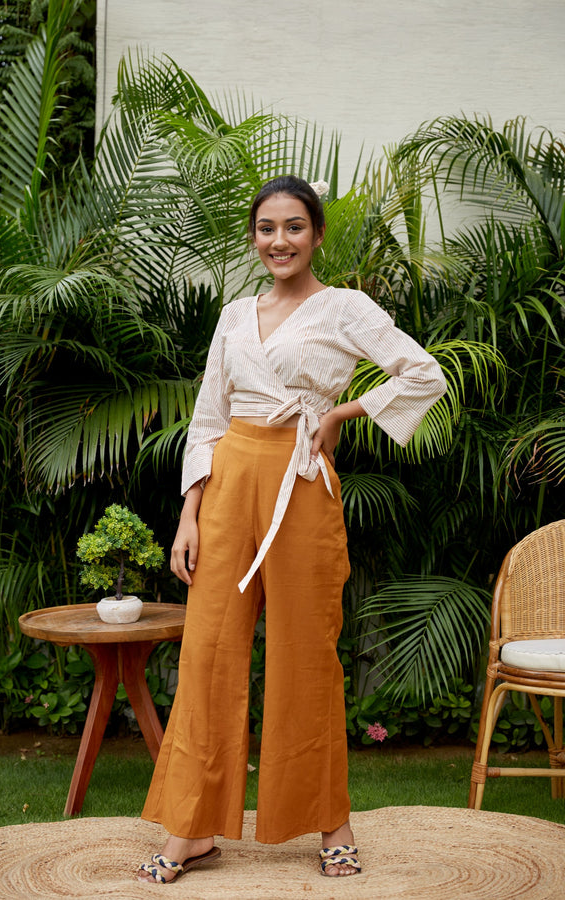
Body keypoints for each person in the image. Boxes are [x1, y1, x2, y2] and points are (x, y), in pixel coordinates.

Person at [138, 175, 447, 884]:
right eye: (267, 228)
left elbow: (422, 373)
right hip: (228, 484)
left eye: (294, 227)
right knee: (209, 652)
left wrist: (339, 413)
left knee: (307, 654)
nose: (279, 241)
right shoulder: (233, 315)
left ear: (317, 234)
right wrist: (188, 515)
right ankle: (191, 828)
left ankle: (332, 821)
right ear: (255, 236)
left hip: (301, 484)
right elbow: (208, 418)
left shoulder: (346, 308)